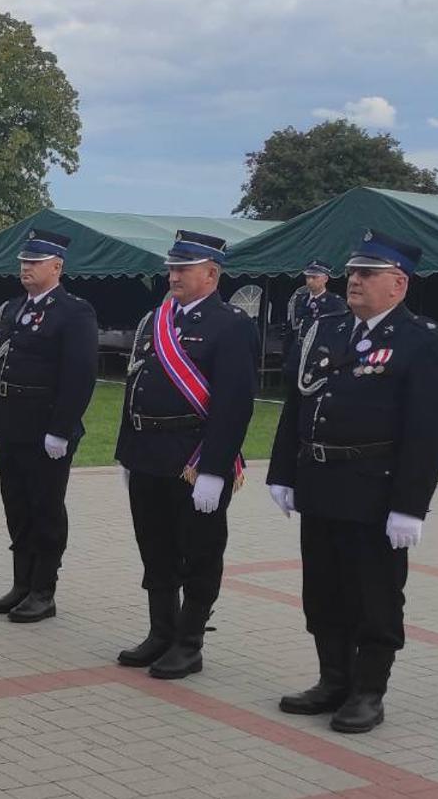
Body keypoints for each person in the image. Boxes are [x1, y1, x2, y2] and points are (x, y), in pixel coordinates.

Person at [267, 228, 438, 734]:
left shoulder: (422, 340)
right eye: (352, 271)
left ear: (399, 284)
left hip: (375, 488)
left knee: (374, 595)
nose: (354, 280)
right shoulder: (325, 329)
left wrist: (410, 505)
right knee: (322, 591)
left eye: (367, 273)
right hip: (321, 482)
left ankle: (369, 691)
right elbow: (297, 403)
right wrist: (283, 471)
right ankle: (333, 679)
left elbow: (428, 432)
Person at [114, 230, 258, 679]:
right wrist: (127, 451)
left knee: (198, 552)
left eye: (184, 268)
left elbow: (235, 404)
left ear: (211, 273)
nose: (173, 275)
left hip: (192, 460)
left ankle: (189, 641)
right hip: (148, 454)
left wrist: (214, 469)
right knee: (155, 549)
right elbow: (134, 387)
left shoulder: (232, 325)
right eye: (172, 268)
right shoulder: (154, 320)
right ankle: (161, 631)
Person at [0, 229, 98, 624]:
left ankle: (44, 590)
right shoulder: (14, 308)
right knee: (16, 504)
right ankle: (21, 583)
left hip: (46, 429)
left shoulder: (74, 311)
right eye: (23, 262)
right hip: (12, 424)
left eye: (35, 262)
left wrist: (61, 429)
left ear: (57, 266)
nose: (26, 268)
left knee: (46, 507)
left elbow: (79, 375)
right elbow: (0, 365)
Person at [288, 261, 348, 347]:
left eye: (314, 277)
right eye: (307, 277)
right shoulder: (300, 299)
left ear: (325, 279)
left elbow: (340, 331)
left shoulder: (335, 302)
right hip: (299, 348)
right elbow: (291, 330)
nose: (309, 281)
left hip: (322, 349)